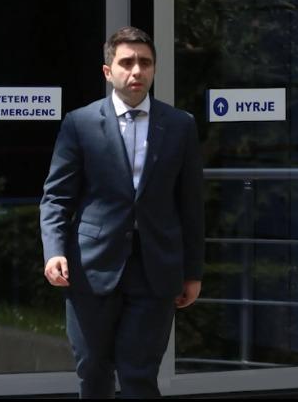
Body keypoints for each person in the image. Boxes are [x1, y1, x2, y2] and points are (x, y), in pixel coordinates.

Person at [40, 26, 204, 398]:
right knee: (93, 371)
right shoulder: (80, 123)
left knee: (138, 374)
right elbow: (57, 197)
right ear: (107, 71)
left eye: (145, 63)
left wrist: (193, 271)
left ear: (155, 69)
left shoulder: (180, 125)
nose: (136, 71)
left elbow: (191, 205)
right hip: (91, 267)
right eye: (126, 62)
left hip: (155, 269)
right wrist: (54, 251)